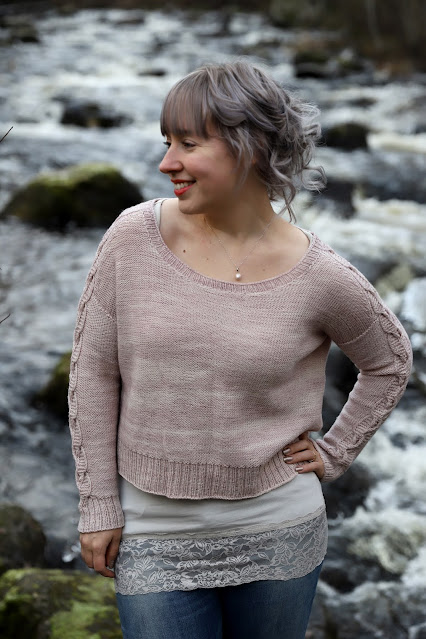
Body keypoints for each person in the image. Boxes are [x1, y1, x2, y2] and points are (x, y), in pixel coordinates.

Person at [68, 60, 412, 639]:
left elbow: (390, 361)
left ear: (249, 149)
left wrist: (336, 451)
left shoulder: (320, 275)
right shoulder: (132, 238)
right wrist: (98, 503)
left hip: (278, 528)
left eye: (188, 144)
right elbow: (94, 374)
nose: (166, 163)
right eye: (166, 142)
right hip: (153, 530)